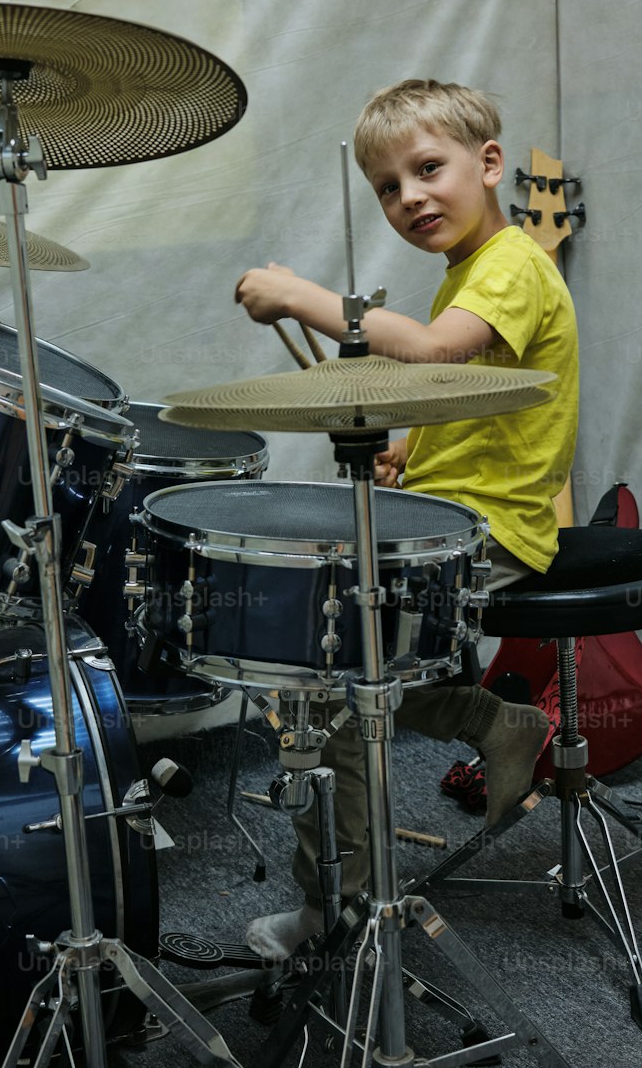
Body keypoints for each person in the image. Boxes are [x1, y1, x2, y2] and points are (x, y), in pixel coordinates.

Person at [234, 79, 579, 960]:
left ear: (489, 163)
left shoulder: (510, 263)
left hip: (488, 529)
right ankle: (492, 722)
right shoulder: (471, 273)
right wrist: (405, 457)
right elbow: (470, 394)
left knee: (326, 685)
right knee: (348, 667)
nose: (409, 197)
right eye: (388, 187)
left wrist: (311, 298)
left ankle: (334, 906)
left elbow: (434, 354)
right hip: (452, 512)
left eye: (428, 169)